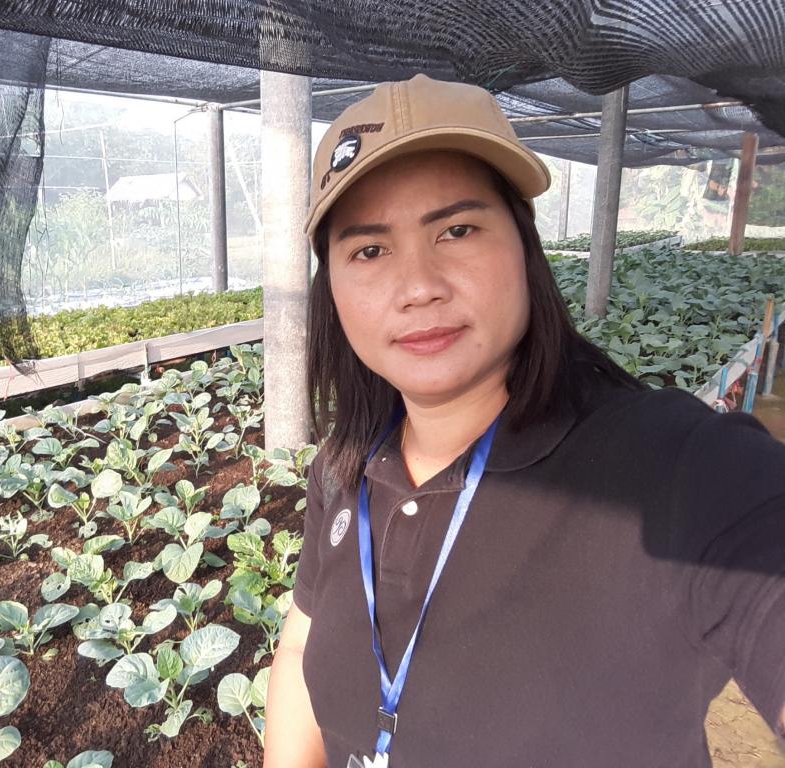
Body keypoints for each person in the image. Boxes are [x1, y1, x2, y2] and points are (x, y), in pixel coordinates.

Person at [263, 74, 785, 767]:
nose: (418, 286)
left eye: (457, 229)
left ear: (524, 246)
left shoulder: (681, 472)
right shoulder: (343, 466)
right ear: (331, 287)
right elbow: (301, 639)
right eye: (369, 250)